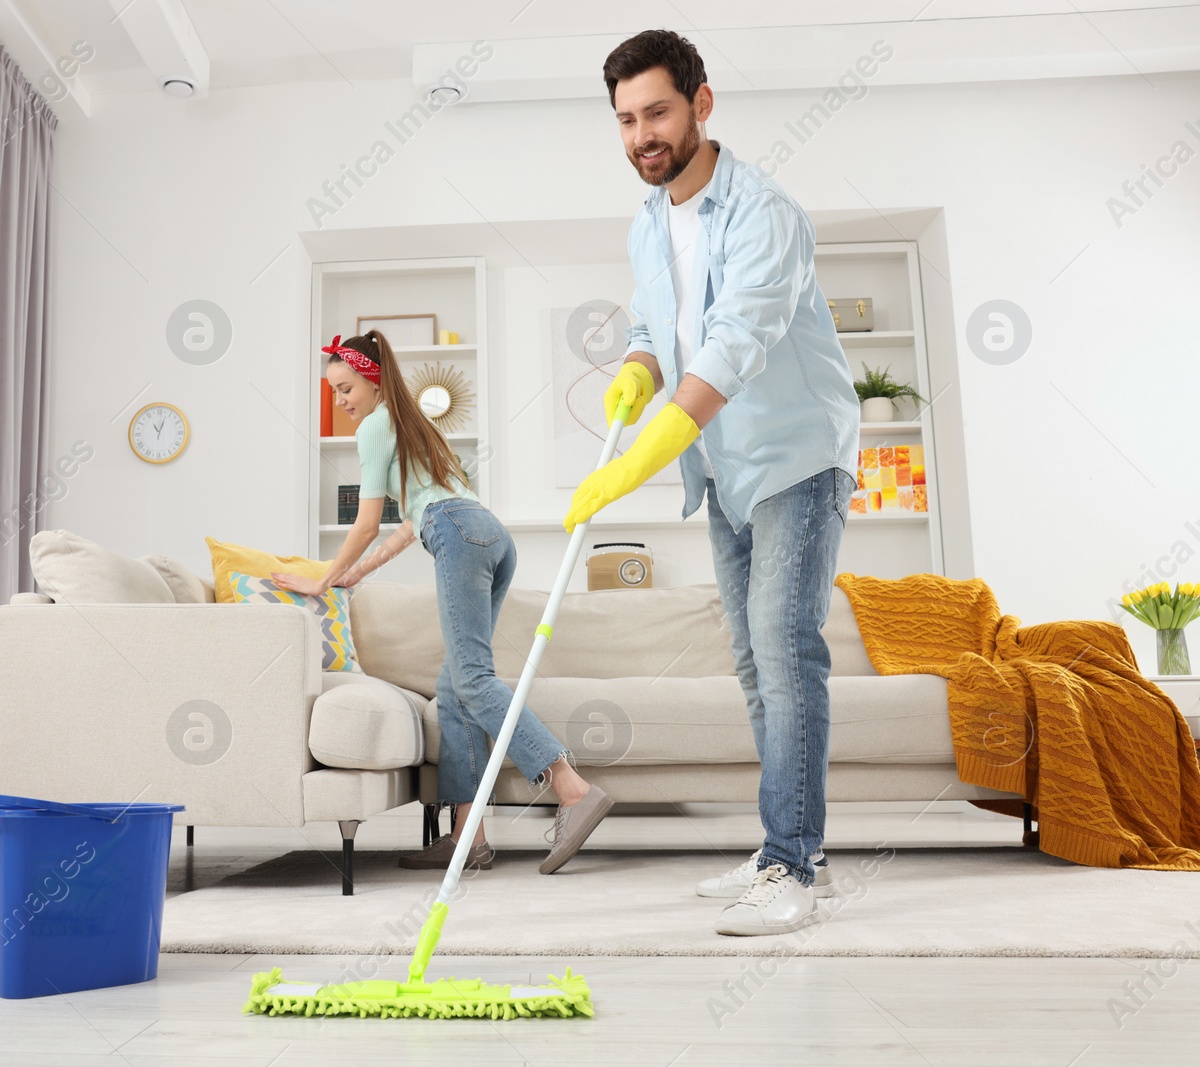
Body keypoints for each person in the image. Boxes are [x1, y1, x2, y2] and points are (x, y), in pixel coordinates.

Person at [565, 30, 860, 935]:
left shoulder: (767, 213)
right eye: (624, 119)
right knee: (751, 662)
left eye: (656, 111)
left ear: (702, 102)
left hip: (796, 453)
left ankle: (793, 866)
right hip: (724, 469)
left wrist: (641, 455)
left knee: (784, 645)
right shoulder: (646, 223)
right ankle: (791, 845)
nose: (641, 135)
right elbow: (668, 329)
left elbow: (735, 344)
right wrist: (637, 367)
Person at [273, 330, 613, 875]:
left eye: (344, 388)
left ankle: (572, 790)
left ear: (372, 379)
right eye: (334, 392)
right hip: (491, 536)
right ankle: (466, 838)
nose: (340, 402)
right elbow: (408, 527)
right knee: (455, 691)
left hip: (457, 533)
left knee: (473, 679)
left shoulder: (375, 427)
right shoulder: (414, 426)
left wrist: (322, 579)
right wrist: (354, 576)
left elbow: (365, 523)